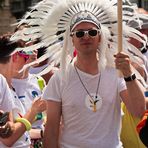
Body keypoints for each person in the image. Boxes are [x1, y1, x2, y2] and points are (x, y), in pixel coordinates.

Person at [10, 0, 147, 147]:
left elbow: (139, 111)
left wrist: (129, 75)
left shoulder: (117, 72)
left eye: (92, 32)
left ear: (100, 37)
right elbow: (51, 130)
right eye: (80, 33)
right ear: (72, 39)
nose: (86, 37)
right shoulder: (60, 78)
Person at [0, 33, 46, 147]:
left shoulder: (6, 85)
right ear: (15, 56)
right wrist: (33, 111)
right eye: (26, 56)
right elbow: (8, 137)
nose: (27, 61)